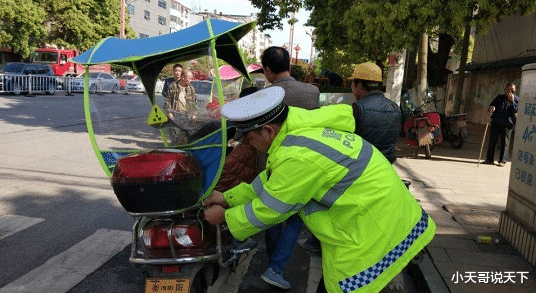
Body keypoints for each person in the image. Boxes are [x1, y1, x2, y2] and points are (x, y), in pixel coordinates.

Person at [203, 87, 436, 293]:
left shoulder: (296, 155)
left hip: (373, 232)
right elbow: (272, 180)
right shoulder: (300, 128)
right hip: (385, 217)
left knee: (345, 283)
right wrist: (226, 197)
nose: (250, 146)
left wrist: (225, 216)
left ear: (268, 131)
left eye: (250, 140)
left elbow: (271, 209)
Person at [299, 62, 402, 254]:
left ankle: (318, 242)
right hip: (385, 167)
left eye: (353, 84)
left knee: (327, 200)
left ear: (360, 85)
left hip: (358, 170)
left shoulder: (357, 109)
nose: (353, 88)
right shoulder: (395, 108)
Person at [255, 46, 320, 289]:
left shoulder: (263, 95)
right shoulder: (312, 92)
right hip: (302, 166)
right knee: (294, 219)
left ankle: (273, 263)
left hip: (270, 164)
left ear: (268, 70)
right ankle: (275, 267)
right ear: (290, 66)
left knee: (272, 216)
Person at [483, 83, 519, 167]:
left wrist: (512, 101)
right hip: (496, 122)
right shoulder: (499, 98)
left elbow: (515, 110)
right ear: (505, 89)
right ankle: (489, 159)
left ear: (515, 91)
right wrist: (492, 108)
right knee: (492, 141)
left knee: (505, 143)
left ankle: (502, 160)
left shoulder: (516, 99)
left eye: (512, 91)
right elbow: (491, 106)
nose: (510, 92)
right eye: (508, 90)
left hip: (507, 123)